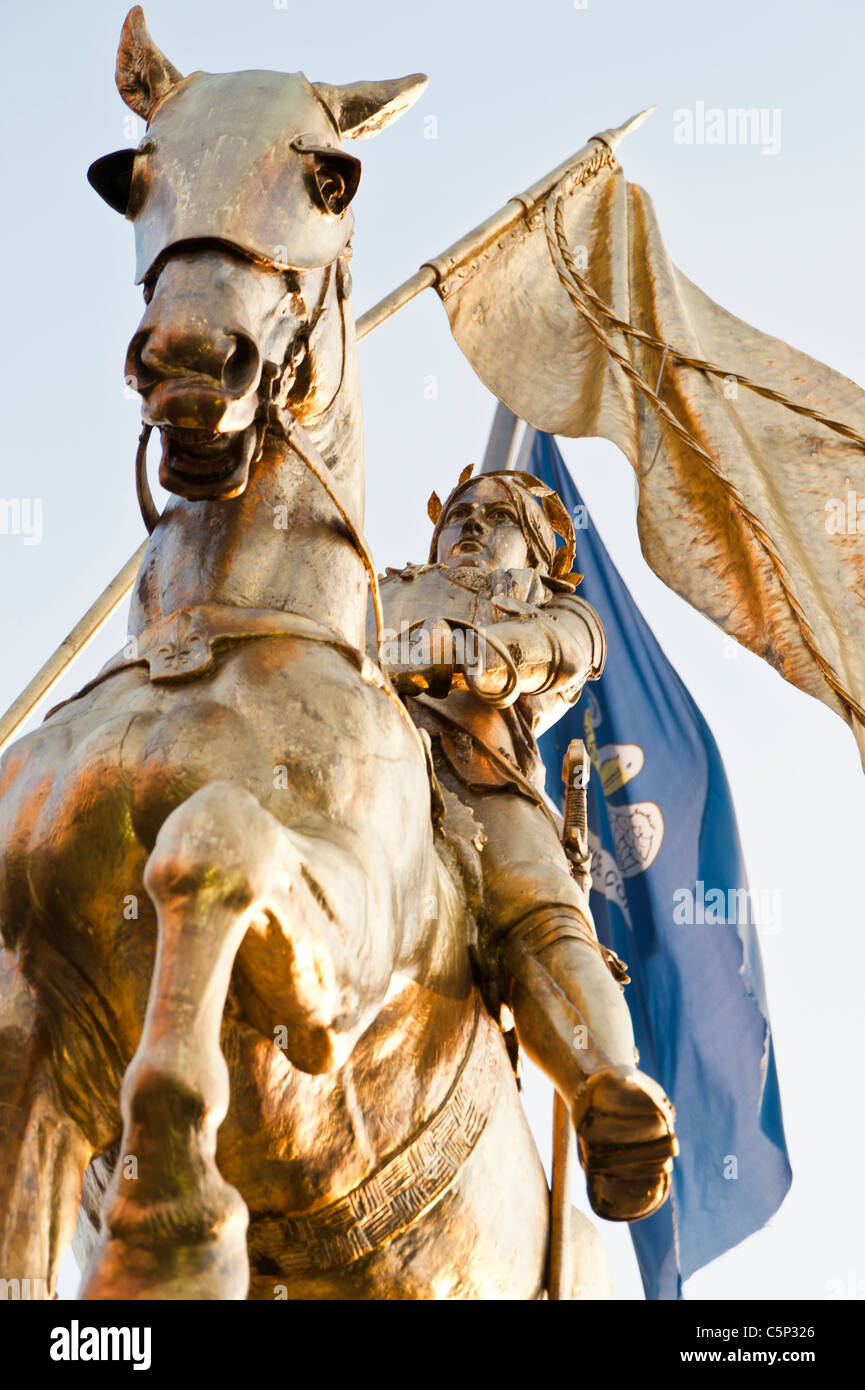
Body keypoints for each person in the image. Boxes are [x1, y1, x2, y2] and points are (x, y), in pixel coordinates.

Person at [373, 466, 677, 1223]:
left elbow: (542, 655)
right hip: (335, 755)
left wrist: (458, 650)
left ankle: (608, 1089)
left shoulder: (561, 612)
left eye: (498, 518)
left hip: (472, 786)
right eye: (461, 514)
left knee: (539, 917)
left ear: (538, 555)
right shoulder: (372, 586)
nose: (469, 526)